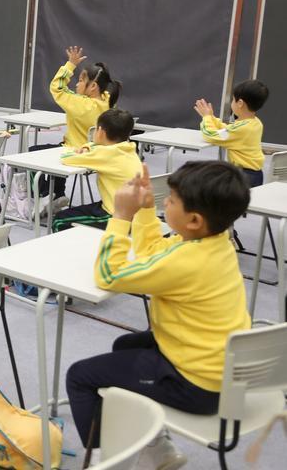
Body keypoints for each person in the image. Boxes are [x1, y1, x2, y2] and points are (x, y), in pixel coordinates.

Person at [66, 162, 251, 468]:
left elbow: (108, 275)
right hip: (223, 372)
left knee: (80, 376)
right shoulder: (214, 243)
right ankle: (157, 447)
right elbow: (152, 251)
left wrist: (121, 216)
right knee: (126, 345)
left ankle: (103, 460)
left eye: (172, 201)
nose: (166, 202)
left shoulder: (186, 261)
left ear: (194, 220)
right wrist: (146, 209)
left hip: (196, 385)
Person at [33, 46, 122, 211]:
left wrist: (70, 65)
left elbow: (58, 88)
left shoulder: (80, 104)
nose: (76, 84)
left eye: (81, 80)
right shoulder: (107, 100)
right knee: (57, 147)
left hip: (74, 152)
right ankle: (58, 194)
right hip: (94, 153)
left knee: (32, 152)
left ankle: (43, 194)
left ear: (93, 86)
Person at [53, 108, 142, 232]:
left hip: (117, 216)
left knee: (59, 220)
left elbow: (66, 158)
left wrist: (86, 147)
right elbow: (97, 149)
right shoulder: (129, 148)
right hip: (137, 214)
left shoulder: (105, 153)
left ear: (100, 132)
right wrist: (88, 147)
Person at [195, 79, 268, 188]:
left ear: (240, 103)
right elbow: (227, 130)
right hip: (255, 174)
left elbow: (210, 135)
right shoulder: (255, 122)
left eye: (233, 99)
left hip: (244, 176)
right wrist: (211, 117)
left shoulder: (242, 129)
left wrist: (206, 117)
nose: (231, 103)